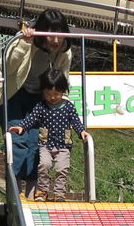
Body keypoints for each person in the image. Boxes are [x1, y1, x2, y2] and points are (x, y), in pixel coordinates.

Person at [0, 9, 73, 195]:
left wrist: (63, 108)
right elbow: (8, 68)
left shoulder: (64, 51)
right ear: (41, 31)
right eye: (50, 34)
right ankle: (14, 195)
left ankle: (32, 194)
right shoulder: (24, 40)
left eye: (60, 34)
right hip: (14, 93)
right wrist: (24, 44)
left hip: (39, 98)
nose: (56, 40)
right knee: (17, 140)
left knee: (38, 143)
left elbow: (62, 80)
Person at [8, 68, 89, 202]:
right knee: (44, 166)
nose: (52, 97)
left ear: (63, 91)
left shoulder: (68, 106)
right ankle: (42, 191)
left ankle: (59, 193)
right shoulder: (41, 106)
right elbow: (32, 118)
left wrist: (81, 131)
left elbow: (75, 120)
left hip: (64, 145)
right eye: (48, 93)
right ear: (43, 91)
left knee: (62, 169)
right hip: (46, 144)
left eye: (56, 94)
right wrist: (22, 126)